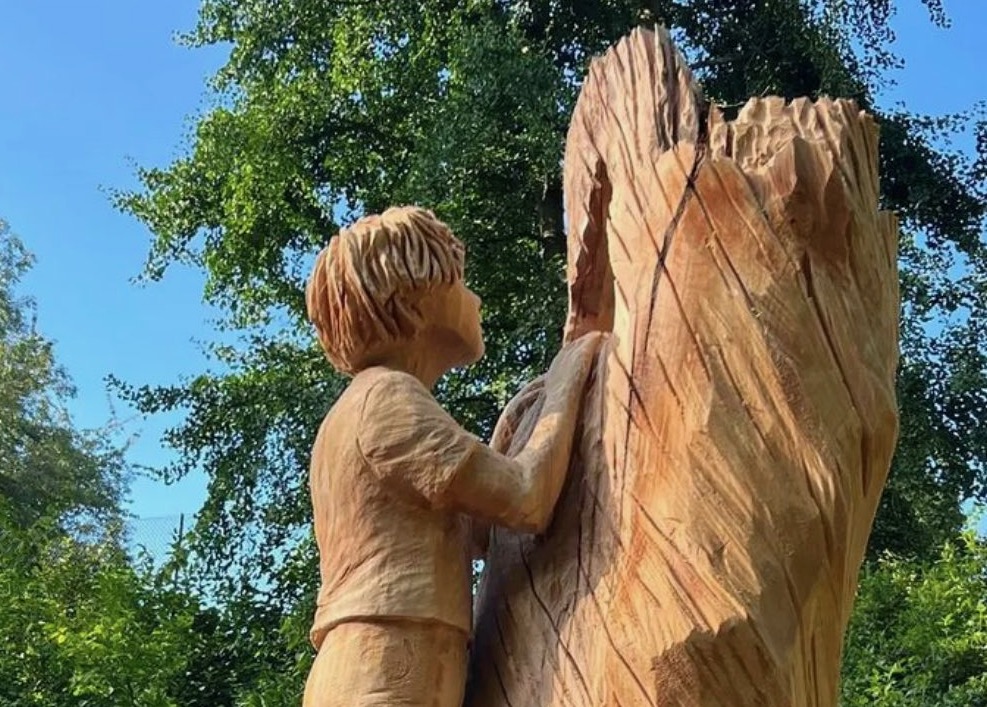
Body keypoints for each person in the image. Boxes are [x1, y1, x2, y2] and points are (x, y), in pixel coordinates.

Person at [303, 206, 601, 706]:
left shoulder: (365, 404)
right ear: (415, 303)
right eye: (459, 284)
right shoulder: (387, 399)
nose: (475, 299)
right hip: (384, 663)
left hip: (393, 655)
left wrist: (509, 433)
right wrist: (569, 378)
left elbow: (480, 534)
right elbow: (526, 499)